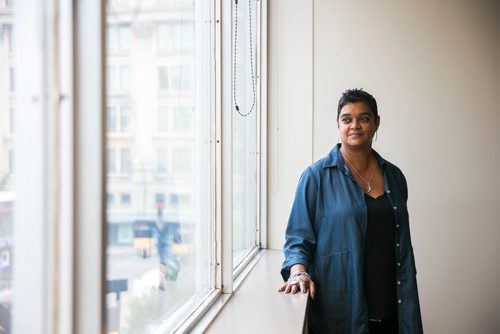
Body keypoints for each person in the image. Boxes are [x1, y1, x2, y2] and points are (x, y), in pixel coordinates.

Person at [278, 89, 423, 333]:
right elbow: (297, 240)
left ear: (376, 123)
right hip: (342, 310)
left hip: (394, 307)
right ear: (338, 124)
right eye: (347, 119)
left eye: (364, 118)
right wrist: (298, 273)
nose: (355, 125)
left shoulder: (395, 176)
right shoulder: (315, 177)